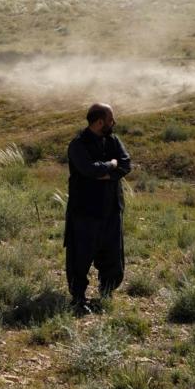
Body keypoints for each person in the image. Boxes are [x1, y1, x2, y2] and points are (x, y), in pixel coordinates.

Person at [65, 102, 133, 315]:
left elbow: (126, 164)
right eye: (111, 119)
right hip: (85, 210)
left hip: (112, 208)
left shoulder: (113, 140)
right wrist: (110, 166)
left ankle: (106, 292)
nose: (114, 123)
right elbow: (89, 169)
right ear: (100, 122)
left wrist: (106, 172)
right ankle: (78, 297)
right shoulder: (78, 144)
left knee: (113, 254)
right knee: (81, 256)